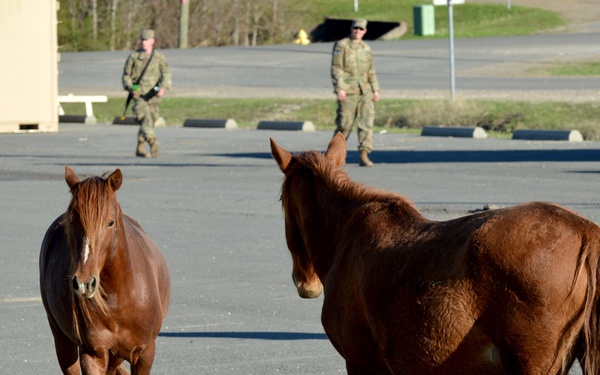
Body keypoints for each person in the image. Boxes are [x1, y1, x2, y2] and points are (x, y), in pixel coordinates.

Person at [331, 18, 380, 167]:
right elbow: (336, 68)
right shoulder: (342, 45)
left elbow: (371, 70)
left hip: (364, 90)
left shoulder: (366, 48)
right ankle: (335, 155)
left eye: (361, 29)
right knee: (344, 124)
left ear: (365, 31)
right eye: (355, 28)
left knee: (366, 122)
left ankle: (364, 154)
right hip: (348, 90)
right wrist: (340, 88)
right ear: (351, 29)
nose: (357, 31)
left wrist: (375, 89)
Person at [122, 29, 172, 158]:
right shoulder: (134, 56)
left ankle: (140, 147)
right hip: (139, 94)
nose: (144, 43)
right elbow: (126, 76)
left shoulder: (159, 57)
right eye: (142, 40)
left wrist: (164, 88)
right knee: (145, 118)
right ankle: (152, 141)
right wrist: (131, 88)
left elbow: (166, 73)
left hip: (153, 95)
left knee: (151, 120)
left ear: (152, 41)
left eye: (147, 40)